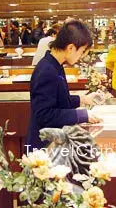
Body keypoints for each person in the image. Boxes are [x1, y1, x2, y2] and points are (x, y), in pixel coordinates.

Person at [26, 20, 102, 151]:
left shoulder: (55, 65)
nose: (82, 56)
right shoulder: (47, 70)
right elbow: (44, 114)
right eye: (82, 51)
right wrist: (81, 115)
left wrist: (83, 99)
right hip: (44, 147)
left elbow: (57, 101)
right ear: (71, 48)